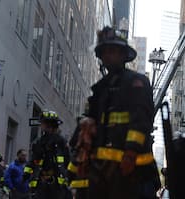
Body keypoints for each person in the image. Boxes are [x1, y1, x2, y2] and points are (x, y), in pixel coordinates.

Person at [78, 26, 160, 199]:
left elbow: (141, 121)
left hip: (132, 173)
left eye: (113, 51)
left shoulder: (137, 83)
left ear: (123, 54)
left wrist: (130, 154)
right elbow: (90, 123)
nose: (108, 55)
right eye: (105, 51)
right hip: (100, 174)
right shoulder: (100, 89)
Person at [23, 110, 71, 199]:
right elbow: (34, 159)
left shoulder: (61, 142)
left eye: (42, 123)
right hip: (42, 182)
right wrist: (26, 172)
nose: (41, 125)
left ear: (49, 124)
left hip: (57, 183)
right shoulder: (39, 142)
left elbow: (68, 161)